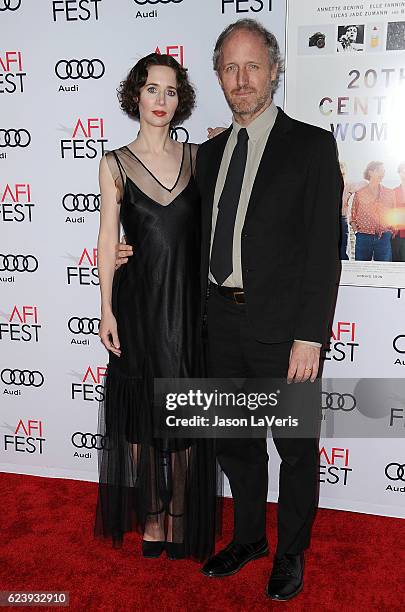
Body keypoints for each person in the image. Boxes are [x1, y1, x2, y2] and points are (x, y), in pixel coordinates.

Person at [116, 19, 342, 602]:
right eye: (229, 68)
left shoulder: (312, 145)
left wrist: (310, 336)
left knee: (294, 449)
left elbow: (323, 250)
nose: (241, 79)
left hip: (285, 333)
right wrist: (123, 251)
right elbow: (169, 223)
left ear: (274, 71)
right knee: (236, 446)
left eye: (252, 67)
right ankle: (248, 539)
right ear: (218, 76)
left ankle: (290, 550)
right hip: (217, 326)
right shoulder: (208, 154)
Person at [94, 52, 219, 562]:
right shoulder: (114, 163)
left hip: (190, 308)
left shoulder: (200, 158)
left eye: (170, 91)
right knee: (144, 417)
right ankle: (151, 513)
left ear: (180, 98)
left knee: (187, 413)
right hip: (139, 304)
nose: (161, 100)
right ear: (135, 95)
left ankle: (182, 514)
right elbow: (106, 239)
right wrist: (105, 307)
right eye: (151, 89)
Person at [351, 161, 395, 261]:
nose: (382, 173)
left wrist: (390, 230)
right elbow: (353, 215)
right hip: (363, 236)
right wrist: (357, 232)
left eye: (383, 171)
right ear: (370, 172)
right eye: (379, 171)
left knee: (384, 271)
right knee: (361, 270)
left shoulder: (390, 193)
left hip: (384, 236)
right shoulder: (359, 193)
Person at [339, 161, 366, 259]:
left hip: (343, 218)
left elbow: (364, 183)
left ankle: (344, 268)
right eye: (338, 173)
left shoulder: (349, 185)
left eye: (343, 174)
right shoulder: (330, 185)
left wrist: (350, 193)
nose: (341, 176)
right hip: (330, 219)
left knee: (343, 247)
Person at [391, 161, 405, 262]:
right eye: (402, 171)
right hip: (397, 235)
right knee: (396, 262)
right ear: (399, 173)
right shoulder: (393, 192)